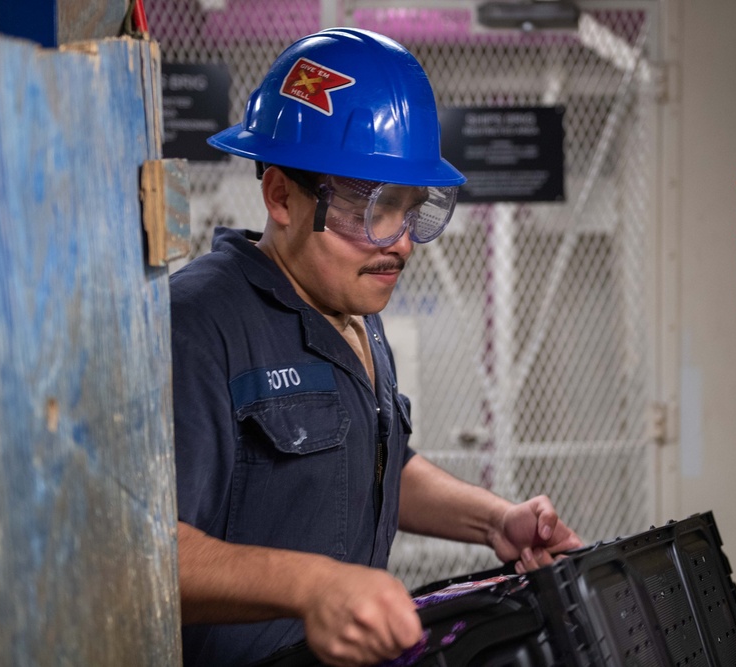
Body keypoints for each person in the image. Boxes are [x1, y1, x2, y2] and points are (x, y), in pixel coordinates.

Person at [170, 27, 582, 667]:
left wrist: (494, 522)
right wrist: (312, 587)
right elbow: (143, 551)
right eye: (376, 209)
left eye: (414, 210)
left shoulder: (353, 303)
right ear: (281, 195)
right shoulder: (200, 325)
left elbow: (372, 464)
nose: (402, 243)